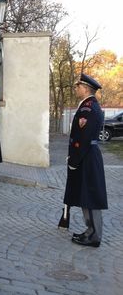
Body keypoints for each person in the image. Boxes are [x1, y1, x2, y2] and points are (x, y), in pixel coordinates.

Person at [63, 73, 107, 247]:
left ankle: (95, 235)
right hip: (85, 155)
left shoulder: (89, 108)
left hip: (87, 155)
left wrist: (74, 159)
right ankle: (90, 231)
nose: (76, 89)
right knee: (85, 195)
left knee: (91, 196)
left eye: (78, 86)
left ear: (86, 88)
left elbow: (84, 137)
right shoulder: (87, 106)